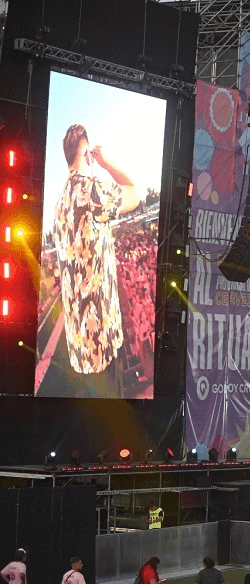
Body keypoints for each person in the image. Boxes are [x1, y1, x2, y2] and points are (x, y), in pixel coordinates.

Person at [52, 124, 141, 391]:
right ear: (88, 153)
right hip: (103, 343)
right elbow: (133, 192)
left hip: (79, 352)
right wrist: (107, 163)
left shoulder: (59, 206)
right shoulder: (90, 191)